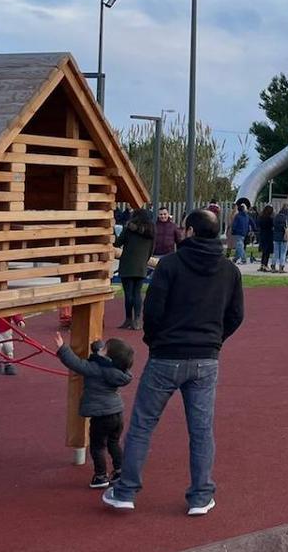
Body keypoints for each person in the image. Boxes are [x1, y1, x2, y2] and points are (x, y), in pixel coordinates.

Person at [104, 209, 245, 515]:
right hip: (206, 358)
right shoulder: (229, 270)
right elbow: (235, 315)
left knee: (143, 424)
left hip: (166, 355)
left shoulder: (170, 266)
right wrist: (215, 340)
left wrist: (155, 342)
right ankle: (199, 496)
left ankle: (126, 491)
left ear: (191, 231)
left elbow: (153, 311)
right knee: (201, 429)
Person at [55, 334, 134, 488]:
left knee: (97, 446)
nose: (101, 349)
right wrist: (98, 346)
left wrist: (62, 348)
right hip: (116, 413)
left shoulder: (96, 369)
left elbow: (77, 364)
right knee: (113, 443)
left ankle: (100, 475)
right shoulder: (120, 372)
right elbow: (102, 357)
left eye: (104, 349)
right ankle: (120, 470)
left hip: (101, 416)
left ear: (108, 358)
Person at [115, 208, 156, 330]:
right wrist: (145, 259)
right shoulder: (151, 230)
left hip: (127, 263)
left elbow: (117, 243)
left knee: (128, 294)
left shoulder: (129, 228)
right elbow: (152, 248)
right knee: (137, 293)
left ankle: (128, 319)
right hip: (141, 265)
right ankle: (137, 320)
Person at [271, 203, 288, 273]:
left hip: (275, 237)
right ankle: (281, 267)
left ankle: (273, 266)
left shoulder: (276, 217)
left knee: (275, 252)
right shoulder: (286, 218)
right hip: (284, 237)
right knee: (283, 252)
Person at [257, 205, 275, 272]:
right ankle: (265, 265)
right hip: (268, 235)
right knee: (267, 252)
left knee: (264, 251)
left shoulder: (261, 217)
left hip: (262, 235)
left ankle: (262, 265)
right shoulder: (270, 219)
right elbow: (272, 227)